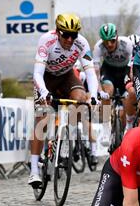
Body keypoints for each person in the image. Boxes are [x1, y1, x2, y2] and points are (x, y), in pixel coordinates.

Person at [28, 13, 100, 188]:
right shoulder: (47, 40)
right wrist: (44, 92)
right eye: (65, 34)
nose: (69, 39)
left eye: (73, 35)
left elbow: (90, 71)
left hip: (67, 76)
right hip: (46, 78)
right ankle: (34, 170)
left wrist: (94, 95)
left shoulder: (81, 43)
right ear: (57, 32)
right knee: (42, 120)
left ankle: (67, 134)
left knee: (81, 100)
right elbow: (37, 73)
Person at [93, 23, 138, 144]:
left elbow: (134, 65)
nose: (109, 45)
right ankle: (106, 128)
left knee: (127, 100)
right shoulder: (98, 47)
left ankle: (126, 129)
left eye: (112, 41)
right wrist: (99, 91)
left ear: (117, 36)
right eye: (106, 42)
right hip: (109, 71)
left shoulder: (126, 44)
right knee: (107, 93)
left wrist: (132, 82)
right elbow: (95, 72)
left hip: (125, 71)